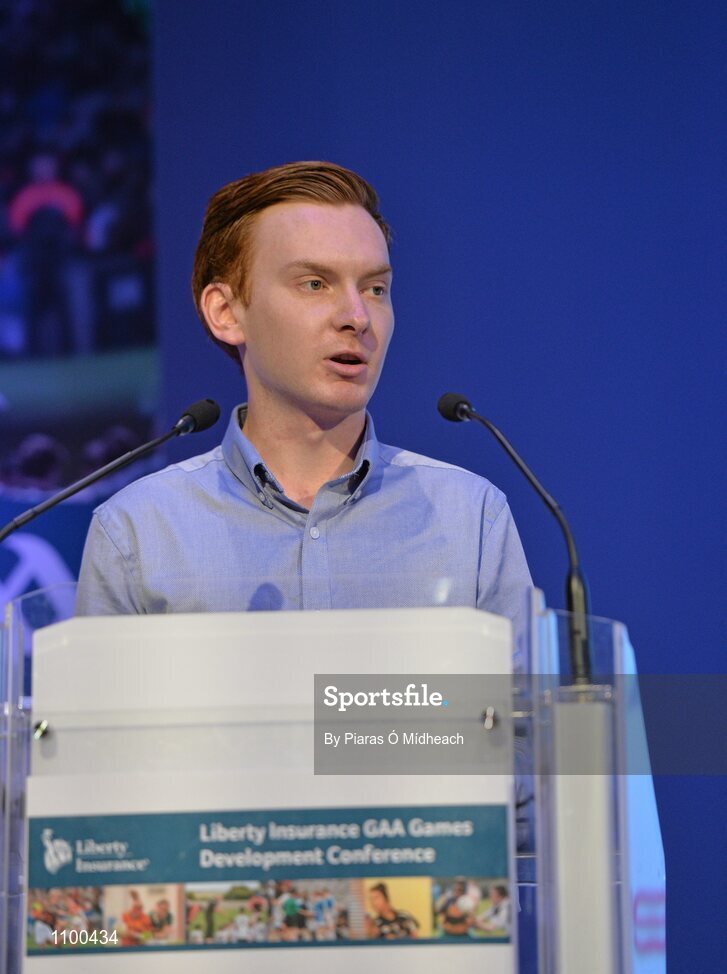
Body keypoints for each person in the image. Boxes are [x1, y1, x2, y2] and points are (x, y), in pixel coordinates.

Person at [75, 161, 532, 643]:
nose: (357, 317)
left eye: (376, 289)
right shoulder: (139, 533)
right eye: (315, 283)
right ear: (226, 313)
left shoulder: (472, 519)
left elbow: (520, 716)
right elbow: (98, 718)